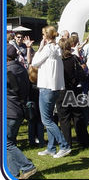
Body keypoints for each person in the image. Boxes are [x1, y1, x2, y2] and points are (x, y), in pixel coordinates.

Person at [32, 26, 71, 158]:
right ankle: (51, 147)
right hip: (55, 88)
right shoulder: (57, 48)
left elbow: (34, 63)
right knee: (49, 118)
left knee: (46, 120)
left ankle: (64, 145)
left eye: (43, 34)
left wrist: (40, 48)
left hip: (46, 87)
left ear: (46, 36)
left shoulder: (48, 48)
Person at [6, 44, 37, 179]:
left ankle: (27, 166)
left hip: (10, 111)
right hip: (18, 109)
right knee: (10, 143)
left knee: (6, 144)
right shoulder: (21, 68)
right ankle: (13, 174)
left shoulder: (7, 71)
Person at [56, 38, 89, 148]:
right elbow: (82, 75)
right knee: (77, 116)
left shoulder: (57, 61)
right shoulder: (74, 59)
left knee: (64, 119)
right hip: (75, 90)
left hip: (62, 90)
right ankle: (84, 141)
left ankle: (67, 144)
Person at [27, 65, 45, 147]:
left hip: (31, 103)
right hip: (39, 103)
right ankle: (41, 141)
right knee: (40, 122)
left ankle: (31, 141)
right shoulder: (41, 82)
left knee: (31, 123)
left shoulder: (28, 83)